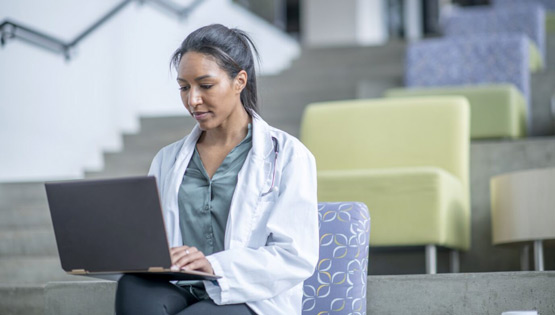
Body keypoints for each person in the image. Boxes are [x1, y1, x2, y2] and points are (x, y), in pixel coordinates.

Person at [115, 24, 319, 315]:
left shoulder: (287, 155)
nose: (192, 100)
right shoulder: (167, 160)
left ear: (240, 81)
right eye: (184, 87)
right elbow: (152, 238)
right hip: (182, 287)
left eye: (205, 85)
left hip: (251, 298)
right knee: (132, 286)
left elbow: (294, 255)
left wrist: (215, 265)